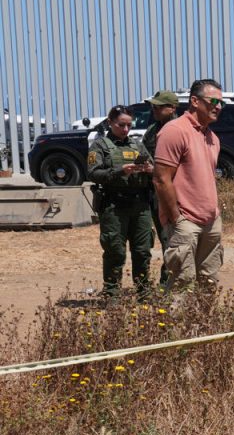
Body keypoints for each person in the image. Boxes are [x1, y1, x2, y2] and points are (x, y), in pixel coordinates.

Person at [153, 78, 224, 291]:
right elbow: (161, 179)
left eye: (221, 103)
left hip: (211, 222)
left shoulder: (212, 137)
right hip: (185, 222)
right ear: (194, 101)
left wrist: (215, 214)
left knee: (209, 283)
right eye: (213, 101)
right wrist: (176, 217)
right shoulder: (175, 131)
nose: (218, 107)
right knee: (181, 285)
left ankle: (206, 324)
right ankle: (176, 324)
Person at [88, 105, 156, 298]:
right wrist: (120, 171)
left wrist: (149, 169)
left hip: (140, 205)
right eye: (121, 125)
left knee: (142, 251)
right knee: (115, 251)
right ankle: (112, 293)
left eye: (129, 125)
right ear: (110, 122)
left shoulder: (136, 145)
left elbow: (155, 168)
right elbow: (93, 173)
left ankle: (144, 291)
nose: (125, 129)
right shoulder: (100, 146)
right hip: (114, 206)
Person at [142, 89, 180, 290]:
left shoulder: (181, 129)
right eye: (153, 106)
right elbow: (145, 153)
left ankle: (172, 282)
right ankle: (168, 282)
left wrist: (155, 169)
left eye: (159, 106)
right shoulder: (152, 130)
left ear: (172, 108)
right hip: (155, 193)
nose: (154, 109)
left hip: (175, 193)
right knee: (165, 240)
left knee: (175, 240)